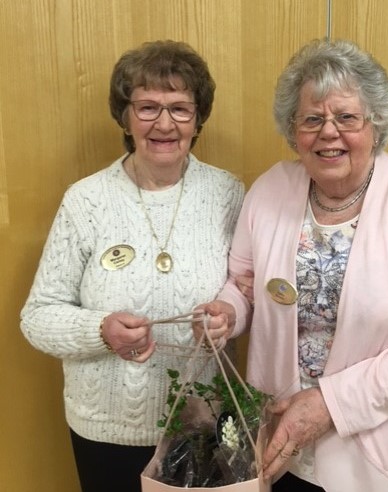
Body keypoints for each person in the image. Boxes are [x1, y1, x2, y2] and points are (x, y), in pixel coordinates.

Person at [193, 38, 388, 492]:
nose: (328, 132)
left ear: (375, 125)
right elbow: (243, 283)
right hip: (284, 442)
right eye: (312, 119)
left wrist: (331, 403)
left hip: (385, 459)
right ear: (293, 131)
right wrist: (228, 313)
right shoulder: (270, 191)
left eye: (346, 117)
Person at [20, 40, 244, 492]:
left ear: (198, 119)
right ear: (125, 117)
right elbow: (37, 316)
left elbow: (245, 287)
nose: (164, 123)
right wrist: (101, 330)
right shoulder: (86, 200)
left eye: (180, 108)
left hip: (202, 423)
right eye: (147, 107)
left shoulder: (227, 193)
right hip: (107, 432)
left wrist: (230, 316)